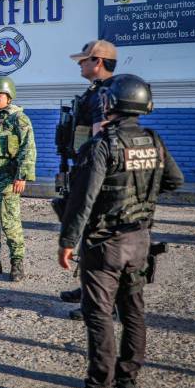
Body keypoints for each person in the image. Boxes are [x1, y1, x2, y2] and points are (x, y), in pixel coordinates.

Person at [57, 74, 184, 388]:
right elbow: (174, 180)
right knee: (133, 310)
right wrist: (141, 197)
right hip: (140, 240)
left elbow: (83, 200)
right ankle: (127, 380)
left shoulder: (102, 145)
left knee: (98, 314)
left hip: (105, 244)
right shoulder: (154, 140)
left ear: (110, 104)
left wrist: (67, 241)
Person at [59, 40, 118, 312]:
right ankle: (87, 288)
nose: (80, 64)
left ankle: (97, 300)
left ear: (98, 61)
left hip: (97, 172)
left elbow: (101, 138)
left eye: (84, 60)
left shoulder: (106, 94)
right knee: (89, 235)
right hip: (84, 165)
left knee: (97, 237)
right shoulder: (95, 91)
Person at [0, 75, 36, 282]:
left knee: (10, 223)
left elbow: (28, 148)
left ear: (9, 96)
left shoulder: (18, 119)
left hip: (7, 180)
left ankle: (17, 262)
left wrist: (22, 176)